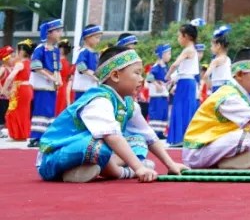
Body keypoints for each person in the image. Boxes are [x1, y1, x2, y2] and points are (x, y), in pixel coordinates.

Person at [36, 47, 186, 182]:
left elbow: (149, 137)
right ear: (115, 76)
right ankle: (119, 172)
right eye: (137, 73)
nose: (142, 79)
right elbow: (112, 137)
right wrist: (138, 168)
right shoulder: (99, 100)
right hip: (52, 157)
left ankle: (83, 170)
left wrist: (171, 164)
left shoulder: (130, 104)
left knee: (138, 141)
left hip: (94, 152)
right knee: (99, 145)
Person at [29, 19, 64, 146]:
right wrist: (51, 77)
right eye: (58, 31)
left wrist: (58, 79)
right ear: (49, 33)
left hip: (51, 85)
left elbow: (57, 68)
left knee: (49, 111)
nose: (60, 33)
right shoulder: (40, 48)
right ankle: (36, 137)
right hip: (42, 85)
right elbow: (36, 66)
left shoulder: (55, 50)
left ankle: (46, 135)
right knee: (41, 110)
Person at [165, 24, 200, 146]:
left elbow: (175, 64)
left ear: (186, 37)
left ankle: (180, 138)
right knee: (185, 108)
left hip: (185, 83)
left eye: (179, 36)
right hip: (186, 82)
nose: (178, 39)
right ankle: (183, 137)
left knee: (181, 108)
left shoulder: (188, 50)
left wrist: (168, 75)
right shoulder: (192, 49)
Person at [3, 42, 34, 140]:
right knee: (24, 112)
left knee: (13, 111)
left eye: (17, 51)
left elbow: (9, 78)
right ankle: (22, 135)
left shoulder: (20, 64)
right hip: (27, 89)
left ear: (22, 52)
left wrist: (3, 90)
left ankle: (16, 135)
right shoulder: (30, 63)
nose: (16, 53)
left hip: (19, 90)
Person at [72, 26, 103, 102]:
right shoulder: (83, 51)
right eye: (96, 38)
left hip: (92, 86)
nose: (98, 40)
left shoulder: (94, 53)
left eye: (99, 38)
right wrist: (93, 75)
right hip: (83, 87)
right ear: (88, 37)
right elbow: (80, 67)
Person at [146, 45, 171, 139]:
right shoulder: (157, 66)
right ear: (162, 54)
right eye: (168, 53)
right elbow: (149, 76)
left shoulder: (165, 66)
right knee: (156, 112)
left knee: (163, 113)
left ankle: (160, 132)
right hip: (156, 95)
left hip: (163, 94)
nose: (170, 56)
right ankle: (154, 132)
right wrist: (156, 84)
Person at [204, 25, 233, 94]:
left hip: (218, 87)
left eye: (212, 46)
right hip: (228, 87)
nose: (211, 48)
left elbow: (206, 75)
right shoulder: (228, 59)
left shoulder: (216, 60)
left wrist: (209, 85)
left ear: (218, 45)